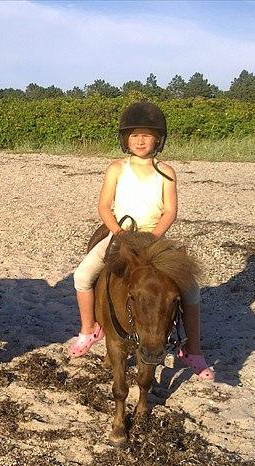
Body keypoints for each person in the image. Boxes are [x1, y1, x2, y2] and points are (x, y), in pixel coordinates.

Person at [67, 101, 214, 381]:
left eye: (146, 135)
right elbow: (104, 206)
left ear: (158, 139)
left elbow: (170, 209)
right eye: (134, 135)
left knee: (191, 289)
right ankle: (89, 329)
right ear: (126, 139)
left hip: (154, 238)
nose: (140, 141)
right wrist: (119, 234)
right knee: (82, 275)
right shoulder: (117, 168)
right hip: (120, 234)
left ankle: (192, 349)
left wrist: (155, 237)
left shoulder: (166, 171)